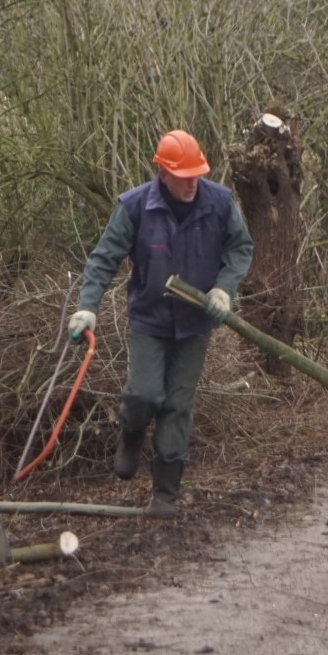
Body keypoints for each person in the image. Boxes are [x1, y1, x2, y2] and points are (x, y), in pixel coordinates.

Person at [66, 130, 254, 517]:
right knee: (145, 395)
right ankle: (131, 434)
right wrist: (88, 307)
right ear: (163, 172)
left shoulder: (219, 203)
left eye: (197, 174)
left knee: (177, 405)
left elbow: (240, 247)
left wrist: (223, 289)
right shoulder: (135, 207)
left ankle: (165, 494)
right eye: (184, 176)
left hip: (196, 322)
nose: (191, 183)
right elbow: (103, 259)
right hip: (149, 319)